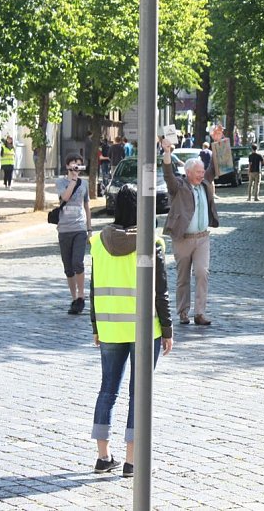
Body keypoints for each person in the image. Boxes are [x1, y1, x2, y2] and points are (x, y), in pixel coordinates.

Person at [90, 186, 173, 479]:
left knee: (107, 389)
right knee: (140, 393)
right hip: (144, 328)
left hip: (110, 327)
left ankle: (103, 456)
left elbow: (93, 288)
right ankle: (131, 461)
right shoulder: (152, 243)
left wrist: (96, 327)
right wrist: (168, 328)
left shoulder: (97, 242)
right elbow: (160, 291)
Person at [160, 137, 219, 325]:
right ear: (188, 172)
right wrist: (167, 152)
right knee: (182, 277)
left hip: (202, 238)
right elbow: (168, 174)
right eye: (198, 172)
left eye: (202, 172)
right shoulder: (179, 186)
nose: (202, 175)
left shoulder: (205, 183)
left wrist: (217, 144)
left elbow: (215, 168)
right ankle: (183, 312)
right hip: (182, 238)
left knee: (202, 272)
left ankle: (200, 313)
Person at [55, 154, 92, 315]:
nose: (76, 166)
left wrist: (89, 228)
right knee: (68, 267)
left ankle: (81, 297)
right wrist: (73, 180)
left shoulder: (84, 183)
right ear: (67, 165)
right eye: (73, 164)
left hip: (79, 228)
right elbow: (65, 196)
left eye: (79, 164)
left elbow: (87, 205)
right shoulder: (60, 182)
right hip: (64, 229)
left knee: (78, 262)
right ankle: (74, 297)